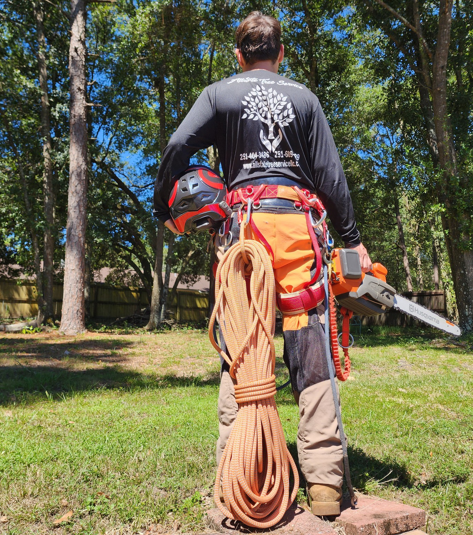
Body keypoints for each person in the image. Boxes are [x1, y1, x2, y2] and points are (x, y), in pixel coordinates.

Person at [153, 12, 372, 516]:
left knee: (245, 350)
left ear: (239, 55)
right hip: (297, 227)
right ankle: (323, 485)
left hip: (243, 232)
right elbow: (331, 176)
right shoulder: (304, 99)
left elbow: (177, 146)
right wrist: (353, 241)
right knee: (310, 343)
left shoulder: (219, 94)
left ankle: (242, 474)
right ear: (280, 54)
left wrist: (164, 208)